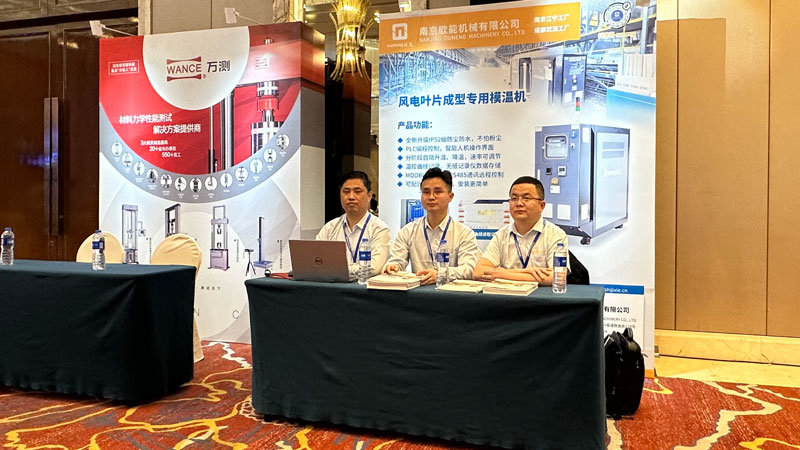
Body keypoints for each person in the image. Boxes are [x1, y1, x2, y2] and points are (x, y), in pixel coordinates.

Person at [383, 167, 479, 284]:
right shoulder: (408, 231)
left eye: (438, 192)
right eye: (426, 192)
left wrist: (441, 274)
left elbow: (468, 270)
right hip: (418, 291)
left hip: (450, 292)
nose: (431, 197)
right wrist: (393, 266)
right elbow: (397, 260)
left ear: (450, 196)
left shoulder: (464, 233)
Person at [472, 176, 569, 285]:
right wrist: (527, 272)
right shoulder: (501, 235)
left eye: (526, 198)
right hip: (507, 294)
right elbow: (478, 272)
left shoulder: (555, 235)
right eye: (514, 199)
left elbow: (557, 276)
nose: (519, 203)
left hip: (540, 295)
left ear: (542, 205)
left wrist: (502, 274)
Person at [316, 171, 390, 280]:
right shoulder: (330, 228)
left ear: (369, 196)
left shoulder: (379, 229)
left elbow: (374, 268)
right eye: (346, 192)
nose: (351, 197)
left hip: (365, 288)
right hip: (332, 287)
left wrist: (337, 269)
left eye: (357, 191)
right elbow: (316, 262)